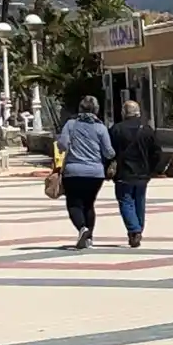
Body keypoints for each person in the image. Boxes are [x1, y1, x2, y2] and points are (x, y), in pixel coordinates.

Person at [55, 94, 115, 250]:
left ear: (80, 109)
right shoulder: (100, 128)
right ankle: (89, 238)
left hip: (73, 171)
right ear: (96, 110)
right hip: (95, 173)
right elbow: (109, 152)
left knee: (74, 204)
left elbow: (62, 145)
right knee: (89, 204)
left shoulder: (71, 125)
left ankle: (82, 228)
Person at [108, 99, 166, 248]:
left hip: (123, 173)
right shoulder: (146, 129)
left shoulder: (116, 129)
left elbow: (108, 151)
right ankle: (138, 228)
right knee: (140, 201)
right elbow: (156, 152)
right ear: (138, 113)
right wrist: (152, 168)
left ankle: (134, 230)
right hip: (142, 173)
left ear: (123, 113)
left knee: (125, 201)